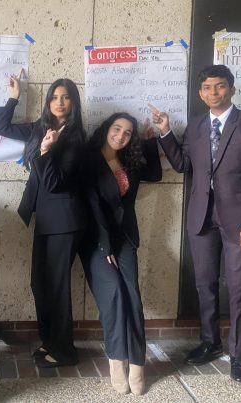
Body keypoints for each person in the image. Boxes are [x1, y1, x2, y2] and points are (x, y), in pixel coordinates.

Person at [151, 64, 241, 384]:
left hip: (240, 223)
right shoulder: (194, 127)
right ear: (200, 92)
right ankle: (210, 342)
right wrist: (165, 131)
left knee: (238, 290)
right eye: (207, 88)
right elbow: (182, 165)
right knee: (204, 285)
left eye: (219, 87)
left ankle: (238, 356)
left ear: (232, 89)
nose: (213, 93)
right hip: (202, 217)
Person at [0, 74, 87, 368]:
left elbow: (56, 183)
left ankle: (64, 351)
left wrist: (46, 151)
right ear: (49, 101)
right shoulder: (39, 127)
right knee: (40, 283)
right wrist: (14, 96)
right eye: (55, 97)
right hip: (46, 217)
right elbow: (2, 127)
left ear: (73, 103)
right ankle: (50, 341)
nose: (60, 102)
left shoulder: (75, 137)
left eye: (66, 97)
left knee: (57, 287)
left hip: (65, 220)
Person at [81, 113, 161, 395]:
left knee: (132, 297)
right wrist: (105, 245)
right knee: (114, 293)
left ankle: (137, 363)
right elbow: (91, 205)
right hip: (96, 239)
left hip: (126, 238)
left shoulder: (130, 161)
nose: (121, 136)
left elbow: (156, 173)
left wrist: (151, 141)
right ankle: (117, 361)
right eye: (117, 128)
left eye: (128, 133)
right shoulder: (88, 159)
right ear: (106, 129)